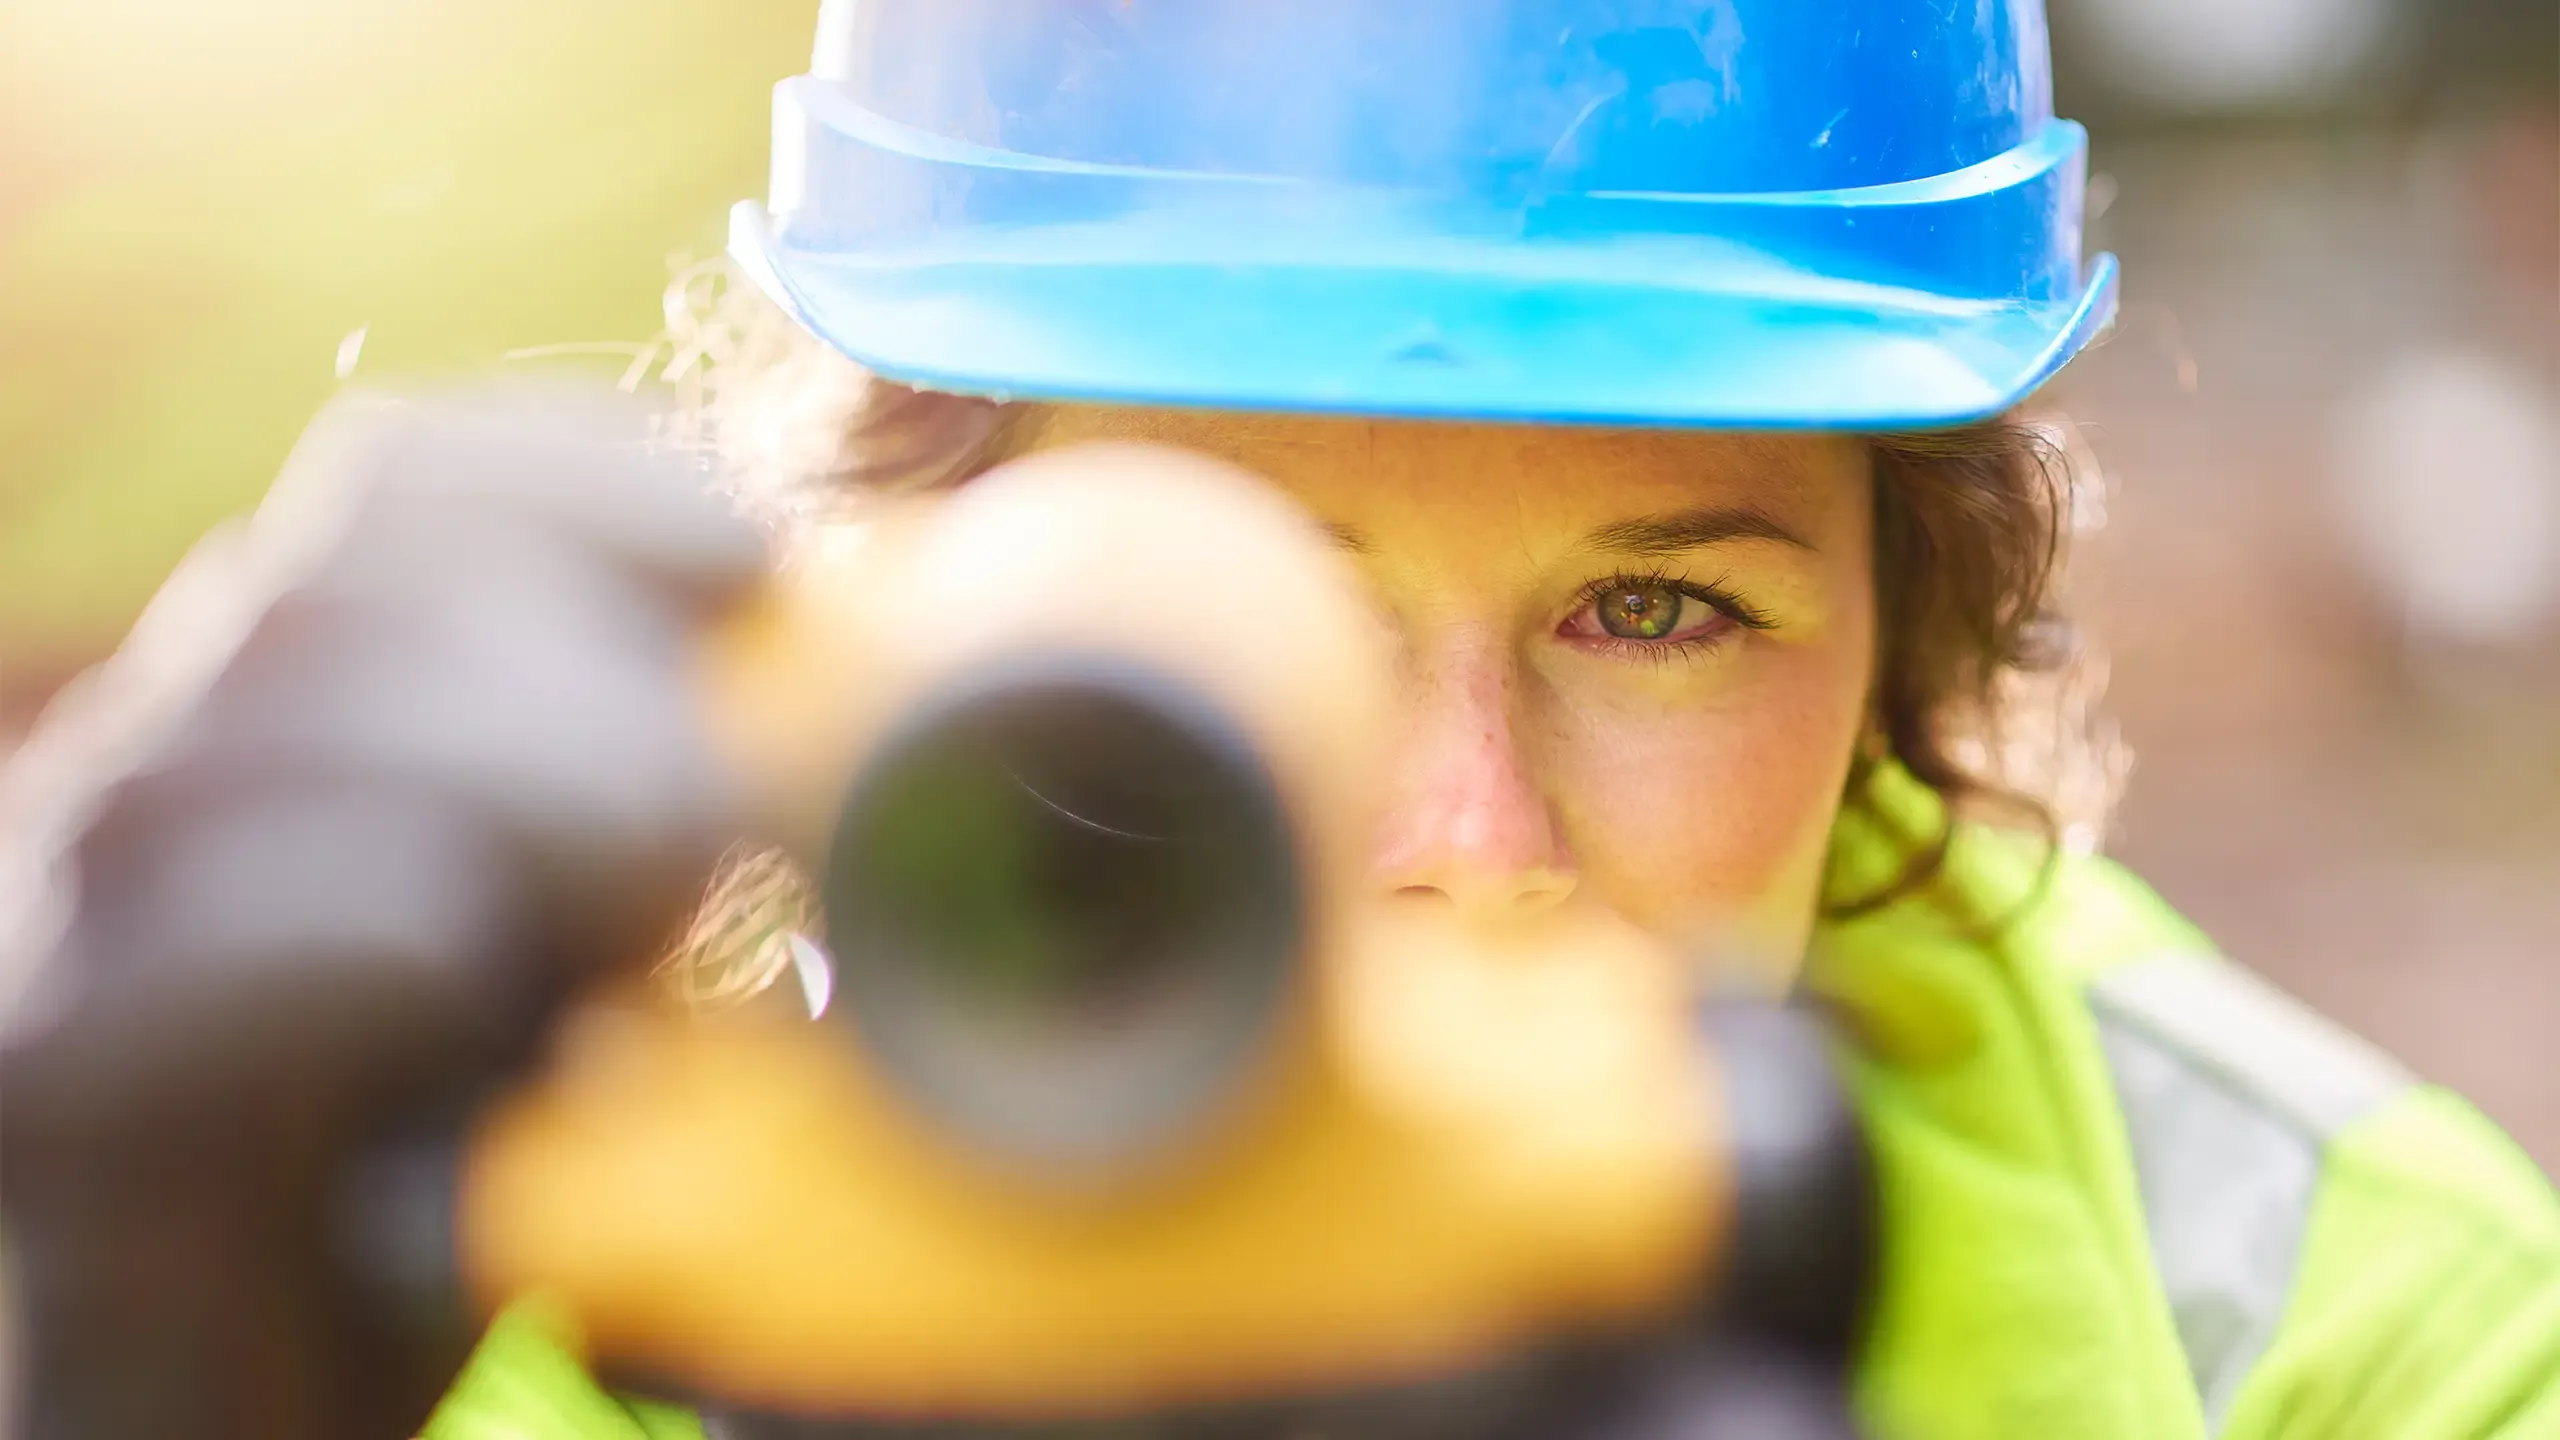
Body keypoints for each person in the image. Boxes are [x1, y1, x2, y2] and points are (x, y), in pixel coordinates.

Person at [4, 4, 2554, 1439]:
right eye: (1250, 619)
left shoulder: (2351, 1334)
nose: (1456, 837)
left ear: (1901, 644)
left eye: (1654, 615)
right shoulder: (441, 1256)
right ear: (865, 593)